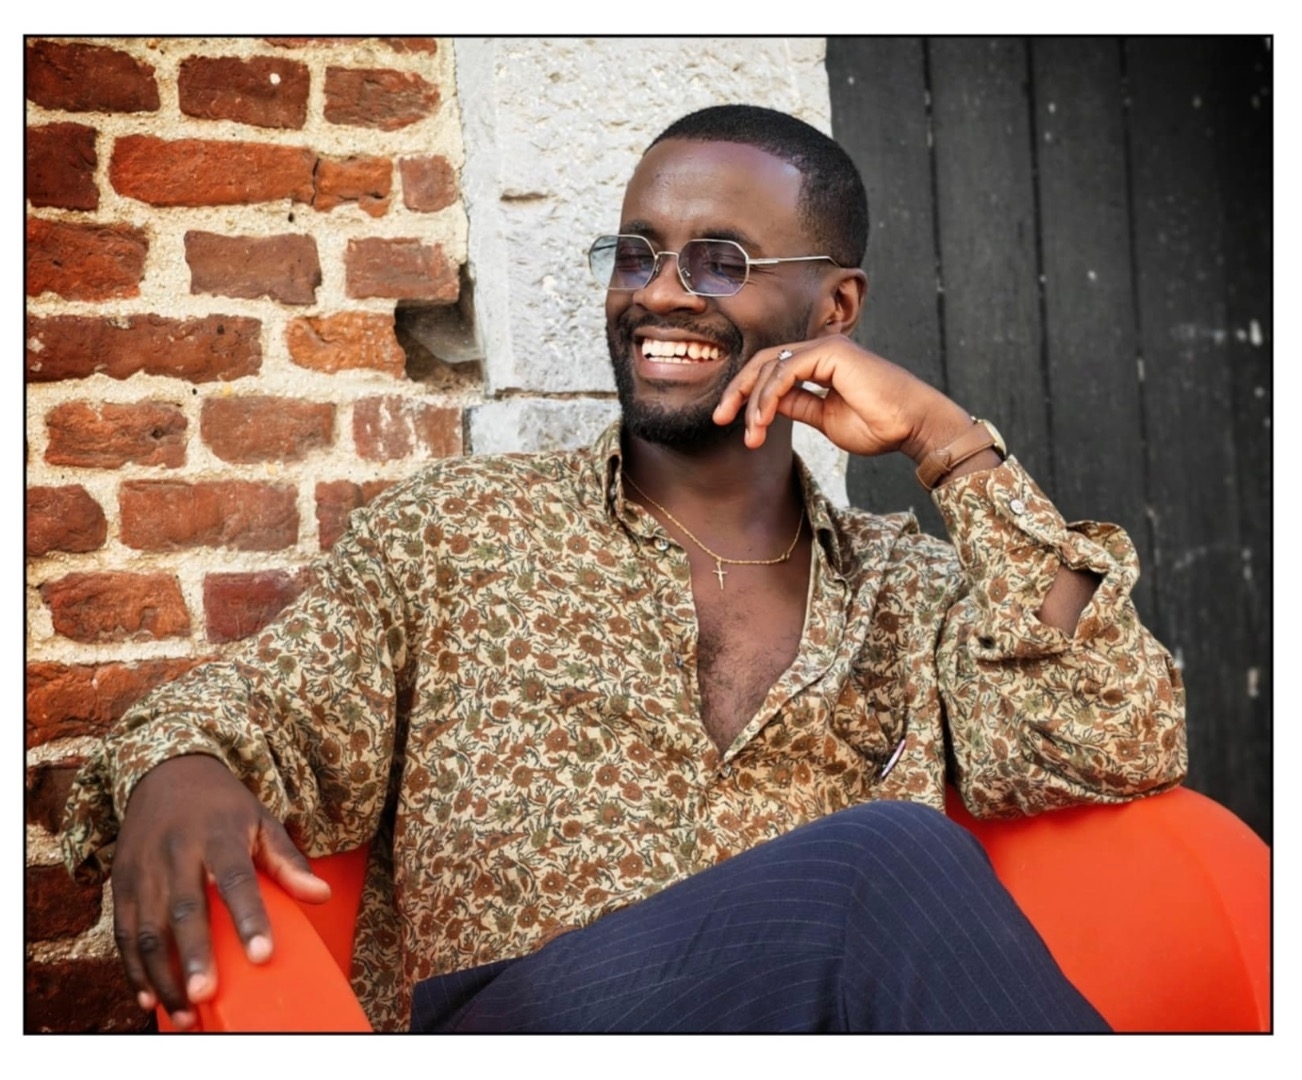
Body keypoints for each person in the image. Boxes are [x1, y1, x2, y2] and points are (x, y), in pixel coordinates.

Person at [62, 105, 1186, 1033]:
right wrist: (180, 769)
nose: (658, 293)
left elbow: (1115, 741)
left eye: (720, 262)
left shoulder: (909, 591)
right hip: (523, 1026)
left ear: (836, 309)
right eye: (637, 253)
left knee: (886, 873)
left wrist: (949, 445)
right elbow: (241, 712)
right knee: (886, 862)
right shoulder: (461, 534)